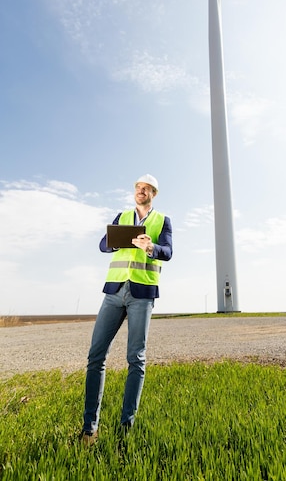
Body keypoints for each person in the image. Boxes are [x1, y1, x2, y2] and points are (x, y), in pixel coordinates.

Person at [80, 174, 173, 445]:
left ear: (153, 193)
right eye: (137, 187)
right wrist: (116, 241)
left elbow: (168, 251)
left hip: (142, 294)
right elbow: (102, 244)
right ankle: (89, 429)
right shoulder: (121, 216)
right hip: (113, 292)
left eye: (145, 188)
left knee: (136, 359)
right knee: (95, 356)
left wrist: (151, 247)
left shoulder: (161, 220)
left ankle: (125, 429)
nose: (140, 191)